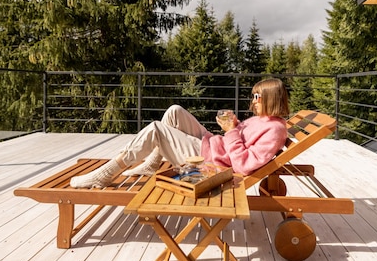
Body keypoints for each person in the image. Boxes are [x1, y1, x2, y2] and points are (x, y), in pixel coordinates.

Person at [70, 78, 290, 188]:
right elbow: (241, 138)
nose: (253, 101)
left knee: (157, 128)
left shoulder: (275, 129)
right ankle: (152, 163)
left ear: (271, 98)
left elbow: (243, 164)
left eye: (257, 97)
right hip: (214, 146)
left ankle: (106, 174)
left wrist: (231, 131)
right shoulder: (263, 120)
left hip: (214, 163)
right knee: (174, 112)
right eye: (253, 96)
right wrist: (234, 124)